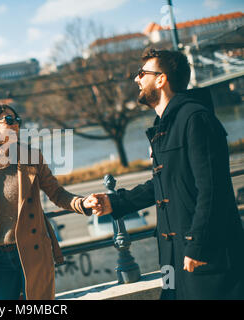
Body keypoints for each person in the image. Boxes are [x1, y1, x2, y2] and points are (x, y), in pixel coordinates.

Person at [86, 48, 244, 300]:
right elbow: (165, 183)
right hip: (173, 260)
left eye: (142, 73)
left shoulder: (196, 119)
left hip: (204, 258)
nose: (137, 79)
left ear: (161, 79)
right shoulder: (166, 127)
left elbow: (213, 189)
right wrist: (114, 203)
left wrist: (198, 245)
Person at [0, 104, 93, 300]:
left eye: (17, 120)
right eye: (8, 120)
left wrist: (82, 203)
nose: (15, 124)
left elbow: (57, 193)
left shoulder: (31, 157)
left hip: (30, 251)